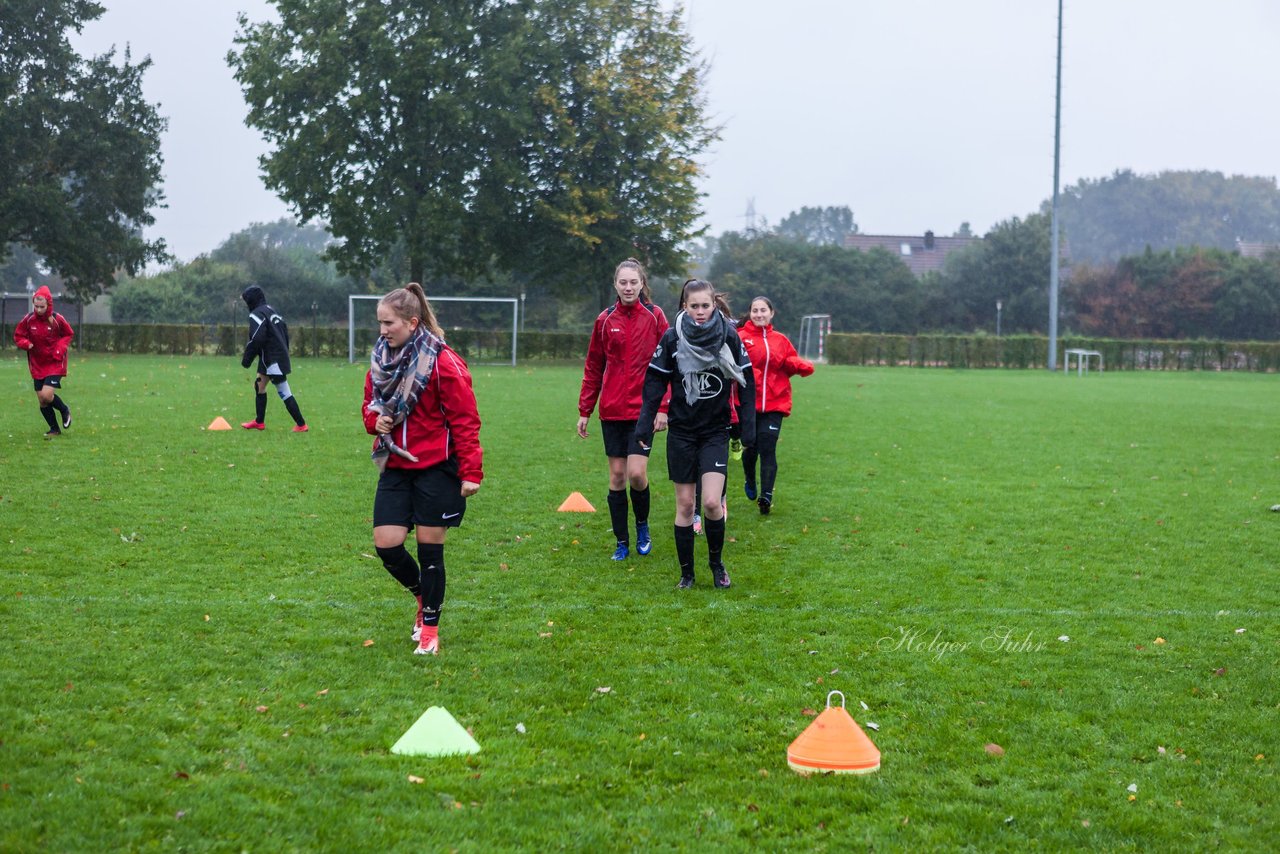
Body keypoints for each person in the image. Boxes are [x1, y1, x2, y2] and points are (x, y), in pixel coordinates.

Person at [363, 283, 483, 656]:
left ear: (412, 323)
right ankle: (420, 596)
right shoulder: (380, 358)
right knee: (387, 545)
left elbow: (465, 419)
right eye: (380, 323)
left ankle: (430, 628)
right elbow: (370, 404)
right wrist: (375, 421)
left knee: (431, 551)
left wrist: (471, 472)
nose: (382, 330)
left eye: (389, 323)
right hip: (395, 465)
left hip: (437, 470)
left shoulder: (442, 361)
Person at [635, 279, 755, 590]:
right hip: (682, 433)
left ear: (714, 305)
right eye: (694, 306)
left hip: (715, 431)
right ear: (684, 307)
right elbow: (653, 385)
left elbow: (748, 379)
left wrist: (748, 424)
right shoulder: (673, 338)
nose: (700, 312)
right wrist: (644, 425)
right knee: (686, 506)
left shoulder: (728, 335)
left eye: (705, 305)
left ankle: (717, 565)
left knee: (713, 503)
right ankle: (687, 574)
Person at [577, 258, 669, 561]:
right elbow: (594, 366)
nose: (628, 287)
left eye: (633, 282)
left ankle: (642, 526)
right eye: (623, 282)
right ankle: (622, 541)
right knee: (617, 476)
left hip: (644, 410)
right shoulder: (604, 320)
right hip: (612, 410)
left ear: (642, 283)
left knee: (636, 474)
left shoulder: (655, 317)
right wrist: (585, 409)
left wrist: (663, 407)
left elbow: (669, 364)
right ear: (615, 284)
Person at [737, 296, 815, 514]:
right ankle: (749, 478)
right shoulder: (741, 337)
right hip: (748, 404)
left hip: (775, 403)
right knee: (750, 447)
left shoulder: (780, 339)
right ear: (750, 313)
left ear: (771, 313)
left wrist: (799, 365)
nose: (759, 314)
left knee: (768, 448)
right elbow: (733, 367)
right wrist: (753, 374)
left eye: (763, 310)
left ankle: (766, 497)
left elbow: (788, 362)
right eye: (755, 310)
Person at [239, 285, 307, 432]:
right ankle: (259, 422)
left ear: (251, 300)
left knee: (284, 391)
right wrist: (284, 351)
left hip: (272, 359)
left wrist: (247, 359)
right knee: (259, 386)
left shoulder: (256, 314)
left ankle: (301, 425)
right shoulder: (271, 310)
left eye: (246, 301)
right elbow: (284, 332)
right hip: (274, 357)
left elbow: (257, 338)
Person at [13, 286, 74, 438]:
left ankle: (64, 409)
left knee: (47, 395)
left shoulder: (57, 319)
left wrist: (59, 349)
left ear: (48, 305)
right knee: (42, 400)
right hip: (37, 363)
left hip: (55, 362)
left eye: (42, 307)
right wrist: (26, 344)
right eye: (36, 306)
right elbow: (18, 336)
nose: (39, 309)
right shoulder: (28, 320)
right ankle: (54, 429)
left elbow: (68, 334)